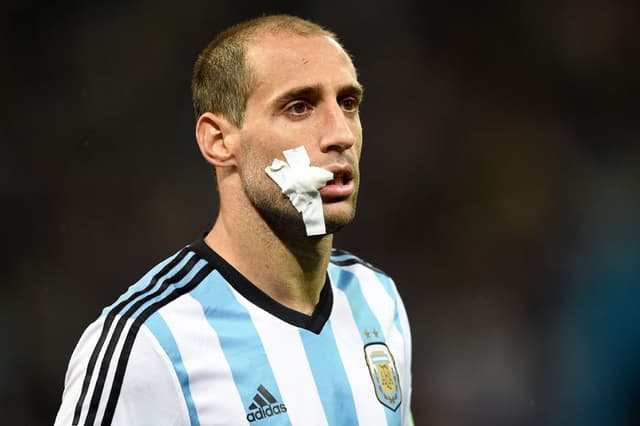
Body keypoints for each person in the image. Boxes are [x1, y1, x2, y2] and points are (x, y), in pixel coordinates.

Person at [55, 14, 413, 425]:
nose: (341, 135)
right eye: (299, 107)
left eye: (348, 103)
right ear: (219, 141)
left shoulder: (378, 299)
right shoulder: (148, 343)